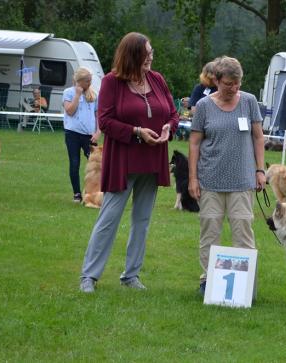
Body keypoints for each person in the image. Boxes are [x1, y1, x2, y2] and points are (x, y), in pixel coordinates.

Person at [79, 32, 178, 293]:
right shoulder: (112, 82)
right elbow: (106, 121)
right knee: (109, 218)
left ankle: (131, 275)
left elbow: (173, 113)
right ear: (132, 55)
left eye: (151, 52)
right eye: (146, 53)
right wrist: (136, 131)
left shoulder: (157, 80)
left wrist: (168, 126)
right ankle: (89, 276)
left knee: (142, 220)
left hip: (153, 158)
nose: (151, 57)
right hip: (123, 159)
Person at [188, 56, 265, 296]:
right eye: (228, 84)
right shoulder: (203, 106)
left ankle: (246, 283)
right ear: (216, 81)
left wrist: (260, 170)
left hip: (242, 180)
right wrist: (193, 178)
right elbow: (194, 143)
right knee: (210, 231)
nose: (233, 88)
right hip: (210, 178)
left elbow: (258, 137)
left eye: (237, 83)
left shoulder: (249, 102)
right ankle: (207, 280)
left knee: (243, 230)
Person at [63, 67, 101, 203]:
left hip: (89, 136)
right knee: (74, 163)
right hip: (72, 134)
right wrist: (77, 95)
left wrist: (98, 131)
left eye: (90, 81)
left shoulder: (94, 95)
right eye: (87, 81)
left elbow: (98, 115)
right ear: (79, 81)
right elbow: (70, 111)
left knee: (97, 164)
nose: (89, 83)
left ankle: (94, 191)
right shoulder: (68, 92)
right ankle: (77, 194)